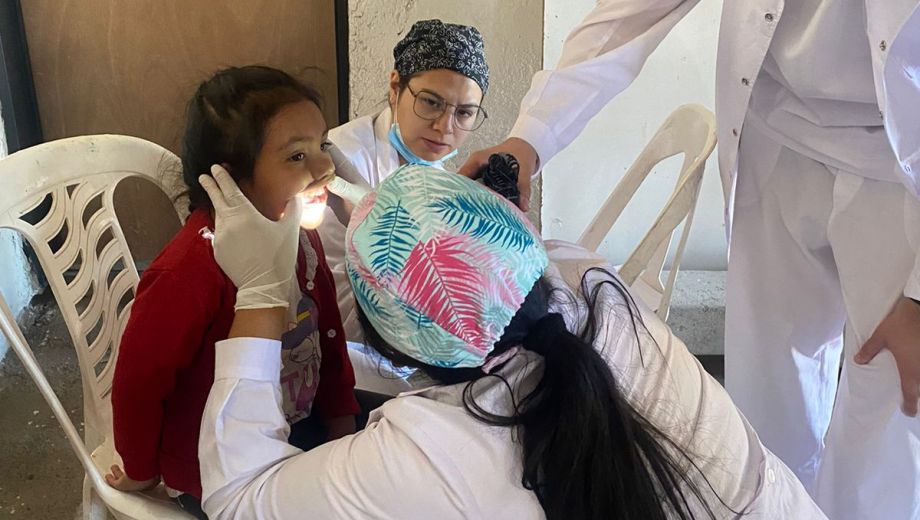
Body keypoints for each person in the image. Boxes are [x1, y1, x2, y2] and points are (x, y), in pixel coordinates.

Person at [458, 3, 920, 517]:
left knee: (892, 419)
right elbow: (625, 17)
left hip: (901, 175)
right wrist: (531, 138)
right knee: (767, 398)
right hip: (777, 138)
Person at [196, 164, 825, 519]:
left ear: (391, 345)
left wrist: (259, 294)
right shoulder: (593, 287)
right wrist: (394, 204)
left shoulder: (427, 454)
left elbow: (237, 502)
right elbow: (495, 266)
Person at [106, 66, 359, 518]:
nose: (326, 168)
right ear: (230, 180)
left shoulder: (299, 234)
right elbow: (139, 384)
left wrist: (342, 422)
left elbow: (328, 335)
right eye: (296, 157)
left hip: (299, 430)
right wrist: (140, 469)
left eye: (322, 145)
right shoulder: (187, 271)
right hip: (214, 469)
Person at [320, 19, 491, 344]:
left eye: (465, 113)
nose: (445, 127)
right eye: (431, 102)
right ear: (395, 87)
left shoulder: (438, 170)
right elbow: (336, 296)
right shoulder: (342, 158)